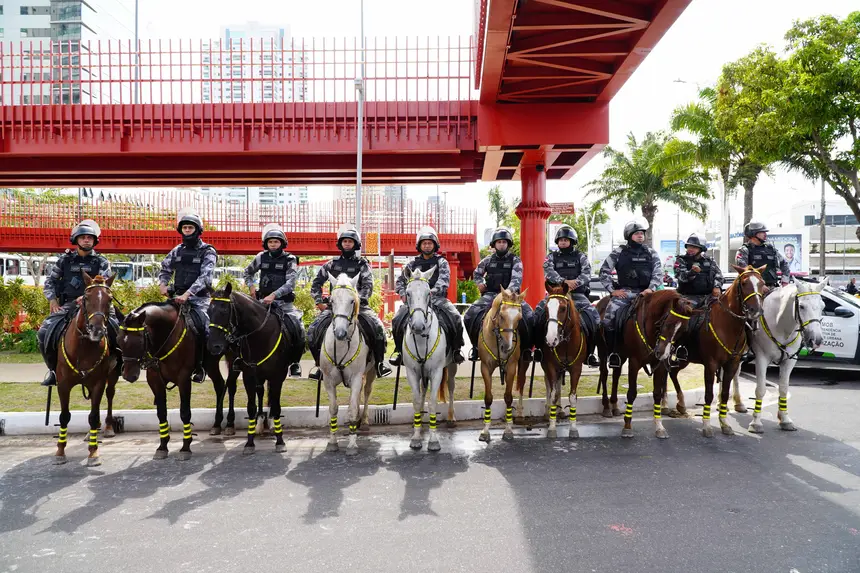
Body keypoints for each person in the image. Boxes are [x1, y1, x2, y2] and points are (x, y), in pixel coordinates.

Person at [307, 224, 393, 380]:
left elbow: (368, 285)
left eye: (350, 241)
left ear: (355, 244)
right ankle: (319, 366)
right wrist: (319, 301)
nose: (347, 244)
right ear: (340, 244)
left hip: (359, 307)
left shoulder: (362, 264)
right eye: (345, 241)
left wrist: (358, 301)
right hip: (335, 308)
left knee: (379, 330)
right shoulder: (331, 264)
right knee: (312, 330)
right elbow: (316, 283)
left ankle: (380, 363)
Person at [37, 219, 115, 386]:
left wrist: (87, 297)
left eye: (90, 237)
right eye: (83, 237)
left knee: (118, 327)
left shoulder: (101, 261)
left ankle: (116, 365)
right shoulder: (64, 260)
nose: (87, 240)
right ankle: (53, 370)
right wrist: (52, 299)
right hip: (69, 305)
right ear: (76, 240)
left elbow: (105, 283)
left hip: (97, 306)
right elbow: (50, 281)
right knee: (44, 331)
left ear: (94, 241)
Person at [389, 226, 465, 366]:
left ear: (435, 245)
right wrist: (403, 294)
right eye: (424, 243)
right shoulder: (411, 264)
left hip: (437, 299)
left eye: (430, 243)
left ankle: (456, 350)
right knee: (397, 318)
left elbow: (444, 280)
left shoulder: (441, 262)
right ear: (420, 245)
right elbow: (400, 282)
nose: (427, 245)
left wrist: (432, 291)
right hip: (415, 302)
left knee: (455, 316)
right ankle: (399, 351)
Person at [158, 208, 217, 383]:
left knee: (205, 330)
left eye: (190, 228)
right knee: (155, 324)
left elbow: (206, 276)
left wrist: (188, 294)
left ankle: (201, 366)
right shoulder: (177, 250)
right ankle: (156, 363)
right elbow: (165, 268)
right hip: (176, 298)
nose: (187, 231)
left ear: (198, 230)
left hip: (199, 301)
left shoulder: (208, 251)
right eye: (184, 228)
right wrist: (163, 284)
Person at [243, 223, 306, 378]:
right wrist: (251, 287)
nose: (273, 244)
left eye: (276, 242)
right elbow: (247, 272)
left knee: (298, 328)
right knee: (242, 325)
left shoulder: (290, 259)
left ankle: (295, 363)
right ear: (266, 243)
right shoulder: (260, 257)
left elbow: (291, 283)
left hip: (284, 304)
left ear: (282, 243)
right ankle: (241, 358)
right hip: (262, 304)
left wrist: (274, 295)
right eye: (270, 242)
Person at [462, 227, 534, 362]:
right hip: (490, 294)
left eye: (504, 242)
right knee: (469, 315)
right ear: (494, 244)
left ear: (508, 244)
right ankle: (476, 347)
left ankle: (526, 349)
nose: (502, 244)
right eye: (499, 242)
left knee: (530, 316)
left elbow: (516, 280)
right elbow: (477, 273)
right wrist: (479, 283)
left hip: (511, 297)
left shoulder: (515, 260)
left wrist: (506, 293)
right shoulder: (487, 260)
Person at [599, 219, 663, 368]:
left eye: (642, 233)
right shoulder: (618, 252)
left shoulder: (651, 252)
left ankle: (665, 352)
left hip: (648, 293)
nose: (640, 236)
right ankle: (613, 352)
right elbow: (604, 272)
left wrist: (651, 288)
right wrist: (612, 290)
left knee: (668, 317)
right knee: (607, 320)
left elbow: (658, 272)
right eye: (636, 234)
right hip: (625, 293)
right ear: (629, 236)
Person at [533, 225, 600, 367]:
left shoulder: (581, 256)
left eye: (566, 240)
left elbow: (587, 273)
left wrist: (574, 283)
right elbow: (548, 271)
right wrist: (563, 282)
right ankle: (539, 349)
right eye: (561, 240)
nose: (563, 242)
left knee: (595, 318)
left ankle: (591, 353)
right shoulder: (551, 257)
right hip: (556, 294)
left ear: (572, 241)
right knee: (537, 314)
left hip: (577, 295)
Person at [735, 220, 791, 288]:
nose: (765, 234)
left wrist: (785, 281)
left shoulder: (771, 249)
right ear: (753, 234)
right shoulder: (744, 250)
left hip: (772, 289)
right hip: (752, 291)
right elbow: (745, 272)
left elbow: (784, 264)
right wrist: (760, 285)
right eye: (762, 232)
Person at [673, 233, 723, 309]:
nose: (690, 249)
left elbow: (719, 275)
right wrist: (692, 272)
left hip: (709, 297)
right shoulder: (681, 260)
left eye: (694, 247)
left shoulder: (710, 261)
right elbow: (681, 277)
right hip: (688, 297)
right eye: (689, 246)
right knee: (687, 312)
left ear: (701, 249)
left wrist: (717, 286)